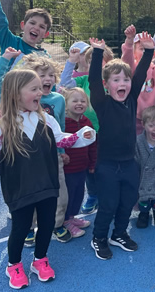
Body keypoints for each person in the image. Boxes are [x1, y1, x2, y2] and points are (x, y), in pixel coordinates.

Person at [0, 69, 95, 289]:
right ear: (15, 93)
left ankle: (40, 259)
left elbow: (61, 139)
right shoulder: (3, 124)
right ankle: (14, 264)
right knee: (20, 228)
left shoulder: (45, 118)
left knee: (48, 223)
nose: (41, 92)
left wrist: (80, 136)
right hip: (19, 188)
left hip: (47, 184)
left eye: (41, 88)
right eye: (34, 89)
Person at [0, 49, 73, 244]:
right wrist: (5, 59)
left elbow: (59, 129)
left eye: (51, 75)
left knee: (58, 193)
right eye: (41, 75)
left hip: (51, 158)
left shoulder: (58, 99)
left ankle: (57, 224)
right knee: (30, 197)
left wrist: (62, 151)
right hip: (25, 159)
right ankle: (27, 227)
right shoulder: (19, 97)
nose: (47, 79)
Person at [88, 33, 152, 260]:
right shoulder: (102, 102)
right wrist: (97, 52)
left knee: (127, 202)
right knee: (108, 204)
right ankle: (99, 237)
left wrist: (149, 52)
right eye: (116, 80)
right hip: (106, 165)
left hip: (128, 164)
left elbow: (141, 75)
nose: (122, 83)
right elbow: (93, 80)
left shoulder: (132, 97)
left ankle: (119, 233)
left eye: (125, 79)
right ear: (107, 85)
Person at [59, 43, 114, 215]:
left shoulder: (111, 83)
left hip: (107, 133)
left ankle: (105, 194)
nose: (97, 65)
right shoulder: (83, 80)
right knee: (89, 167)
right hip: (87, 134)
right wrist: (71, 62)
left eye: (102, 62)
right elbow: (65, 82)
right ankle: (92, 195)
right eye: (92, 61)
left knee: (106, 167)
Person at [62, 88, 97, 238]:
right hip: (67, 169)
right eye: (75, 101)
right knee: (67, 195)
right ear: (66, 104)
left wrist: (92, 163)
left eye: (83, 101)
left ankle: (71, 218)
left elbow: (93, 144)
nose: (79, 103)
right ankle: (64, 221)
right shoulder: (63, 123)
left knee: (78, 194)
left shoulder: (86, 122)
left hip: (82, 167)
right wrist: (62, 155)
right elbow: (58, 143)